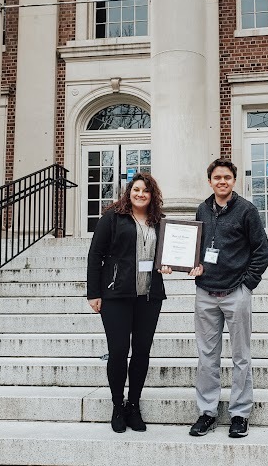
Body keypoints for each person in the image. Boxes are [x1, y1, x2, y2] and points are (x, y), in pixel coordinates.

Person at [188, 158, 268, 438]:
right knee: (206, 357)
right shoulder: (202, 209)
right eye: (217, 177)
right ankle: (207, 412)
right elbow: (197, 248)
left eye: (227, 177)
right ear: (209, 181)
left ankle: (240, 414)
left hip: (236, 292)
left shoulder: (247, 210)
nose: (222, 181)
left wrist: (247, 285)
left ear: (234, 180)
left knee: (240, 356)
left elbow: (262, 251)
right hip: (205, 293)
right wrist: (195, 265)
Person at [86, 172, 169, 433]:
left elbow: (166, 255)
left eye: (146, 190)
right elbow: (95, 255)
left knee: (142, 352)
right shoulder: (112, 217)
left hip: (149, 296)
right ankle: (117, 405)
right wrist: (93, 293)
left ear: (152, 195)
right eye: (136, 190)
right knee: (119, 351)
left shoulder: (160, 221)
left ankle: (133, 405)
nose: (140, 194)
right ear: (129, 192)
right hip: (116, 295)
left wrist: (168, 265)